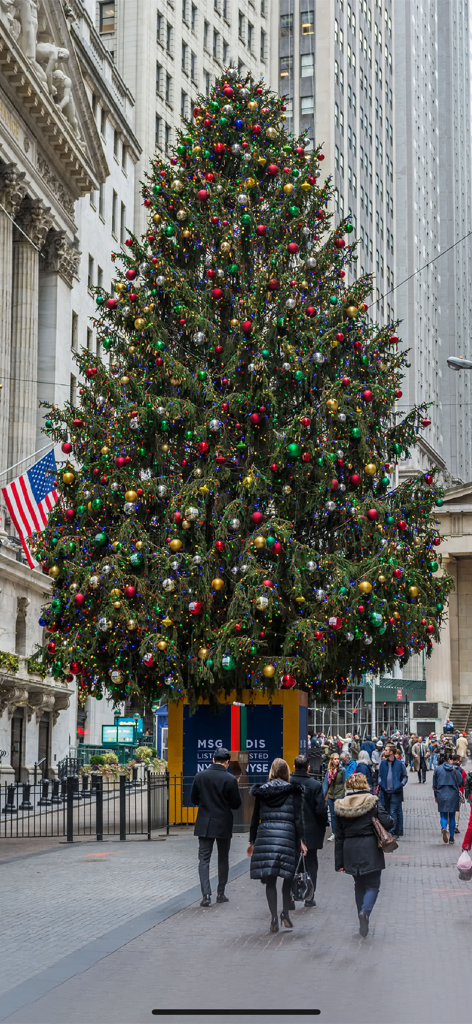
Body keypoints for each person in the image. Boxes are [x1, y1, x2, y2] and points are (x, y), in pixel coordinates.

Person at [248, 758, 307, 932]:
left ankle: (274, 917)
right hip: (287, 836)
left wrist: (252, 841)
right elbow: (298, 819)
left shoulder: (261, 792)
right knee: (288, 876)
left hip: (266, 836)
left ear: (272, 772)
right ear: (286, 772)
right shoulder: (293, 791)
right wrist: (301, 840)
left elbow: (254, 819)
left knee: (270, 879)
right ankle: (285, 914)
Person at [335, 772, 394, 937]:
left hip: (349, 848)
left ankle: (362, 915)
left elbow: (338, 835)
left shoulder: (341, 805)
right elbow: (388, 822)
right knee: (373, 885)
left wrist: (339, 862)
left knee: (358, 885)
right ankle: (365, 912)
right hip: (370, 848)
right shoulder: (372, 802)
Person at [190, 747, 242, 906]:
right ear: (227, 762)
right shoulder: (230, 779)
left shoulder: (200, 776)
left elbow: (193, 799)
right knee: (223, 858)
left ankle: (206, 895)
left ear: (213, 760)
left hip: (205, 823)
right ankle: (221, 893)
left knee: (204, 859)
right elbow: (236, 804)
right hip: (223, 823)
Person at [290, 754, 328, 906]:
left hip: (292, 830)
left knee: (291, 863)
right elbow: (320, 809)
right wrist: (323, 824)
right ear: (308, 768)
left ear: (294, 767)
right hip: (311, 830)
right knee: (311, 862)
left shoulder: (289, 783)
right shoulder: (315, 785)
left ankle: (290, 897)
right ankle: (309, 896)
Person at [432, 752, 464, 844]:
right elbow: (461, 781)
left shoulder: (438, 769)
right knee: (452, 816)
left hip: (441, 793)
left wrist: (436, 796)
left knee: (443, 814)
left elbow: (434, 784)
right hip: (453, 793)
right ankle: (452, 837)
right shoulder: (455, 769)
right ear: (450, 759)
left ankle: (443, 828)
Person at [378, 743, 408, 837]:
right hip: (385, 791)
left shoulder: (400, 763)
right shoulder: (383, 763)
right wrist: (381, 783)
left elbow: (405, 776)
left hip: (396, 791)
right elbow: (379, 775)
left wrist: (400, 784)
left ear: (391, 752)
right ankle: (390, 830)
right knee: (386, 811)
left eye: (386, 750)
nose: (384, 751)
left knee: (393, 811)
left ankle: (392, 831)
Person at [323, 752, 346, 841]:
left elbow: (345, 783)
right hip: (331, 795)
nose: (337, 761)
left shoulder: (342, 770)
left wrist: (345, 795)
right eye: (335, 759)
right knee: (332, 815)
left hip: (340, 795)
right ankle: (334, 833)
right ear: (331, 760)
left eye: (338, 759)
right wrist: (323, 796)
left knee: (339, 814)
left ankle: (341, 832)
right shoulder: (329, 771)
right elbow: (325, 784)